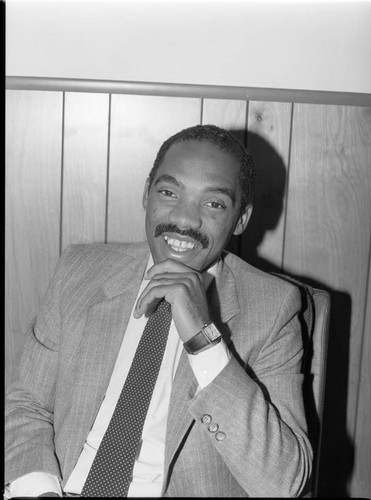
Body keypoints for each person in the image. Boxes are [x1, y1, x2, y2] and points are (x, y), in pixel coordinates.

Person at [5, 124, 312, 497]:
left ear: (241, 219)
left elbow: (284, 483)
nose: (184, 220)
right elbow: (27, 405)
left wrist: (205, 340)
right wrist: (39, 491)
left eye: (213, 203)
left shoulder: (272, 309)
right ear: (146, 195)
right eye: (169, 192)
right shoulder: (79, 270)